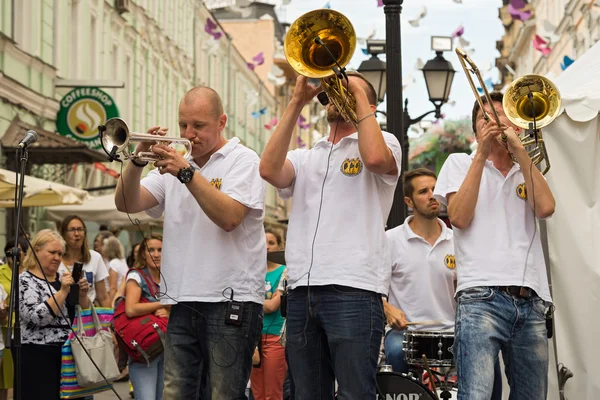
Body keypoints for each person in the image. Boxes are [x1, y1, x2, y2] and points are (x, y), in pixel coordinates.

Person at [115, 85, 266, 399]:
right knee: (176, 393)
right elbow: (126, 203)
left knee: (224, 394)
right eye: (183, 124)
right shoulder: (177, 164)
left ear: (221, 122)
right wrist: (137, 161)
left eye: (199, 125)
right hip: (181, 299)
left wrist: (186, 172)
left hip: (231, 298)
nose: (188, 133)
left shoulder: (243, 160)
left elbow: (229, 217)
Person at [259, 72, 402, 398]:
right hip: (301, 293)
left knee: (355, 393)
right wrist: (297, 101)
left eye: (348, 92)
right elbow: (268, 169)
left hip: (354, 290)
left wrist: (357, 93)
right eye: (334, 91)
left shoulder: (386, 142)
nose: (339, 94)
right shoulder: (305, 156)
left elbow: (377, 159)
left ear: (370, 105)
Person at [433, 91, 555, 400]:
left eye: (501, 116)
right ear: (475, 131)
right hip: (479, 296)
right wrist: (481, 153)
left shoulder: (524, 167)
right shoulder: (459, 162)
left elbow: (546, 208)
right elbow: (459, 217)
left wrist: (517, 147)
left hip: (531, 297)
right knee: (476, 395)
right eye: (484, 119)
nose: (494, 123)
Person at [384, 169, 503, 399]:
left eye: (434, 190)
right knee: (396, 351)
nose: (432, 196)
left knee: (489, 357)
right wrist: (388, 309)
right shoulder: (391, 241)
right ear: (409, 201)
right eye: (423, 191)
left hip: (454, 333)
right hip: (408, 334)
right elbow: (374, 290)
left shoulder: (458, 240)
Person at [19, 229, 90, 400]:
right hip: (37, 356)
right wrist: (63, 291)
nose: (57, 258)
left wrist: (82, 294)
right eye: (52, 252)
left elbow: (83, 312)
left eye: (60, 253)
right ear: (36, 251)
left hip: (68, 353)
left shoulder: (63, 279)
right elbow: (38, 318)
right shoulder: (24, 281)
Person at [125, 233, 169, 400]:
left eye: (160, 250)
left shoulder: (169, 276)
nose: (156, 254)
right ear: (143, 253)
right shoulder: (137, 276)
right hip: (144, 351)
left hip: (167, 349)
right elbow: (130, 309)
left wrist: (169, 313)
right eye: (151, 250)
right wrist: (162, 305)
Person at [250, 229, 287, 400]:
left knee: (273, 392)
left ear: (280, 246)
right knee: (257, 392)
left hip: (275, 339)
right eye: (264, 242)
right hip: (253, 337)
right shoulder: (253, 272)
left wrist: (251, 300)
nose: (267, 247)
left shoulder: (284, 271)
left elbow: (272, 306)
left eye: (271, 243)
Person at [59, 215, 111, 308]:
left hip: (87, 316)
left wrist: (109, 320)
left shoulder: (95, 257)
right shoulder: (56, 259)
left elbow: (103, 297)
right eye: (72, 230)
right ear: (64, 234)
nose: (77, 234)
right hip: (62, 316)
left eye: (80, 229)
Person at [0, 238, 28, 400]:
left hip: (26, 326)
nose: (13, 255)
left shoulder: (31, 271)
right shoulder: (1, 271)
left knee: (21, 373)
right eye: (10, 252)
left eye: (17, 251)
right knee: (5, 376)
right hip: (5, 325)